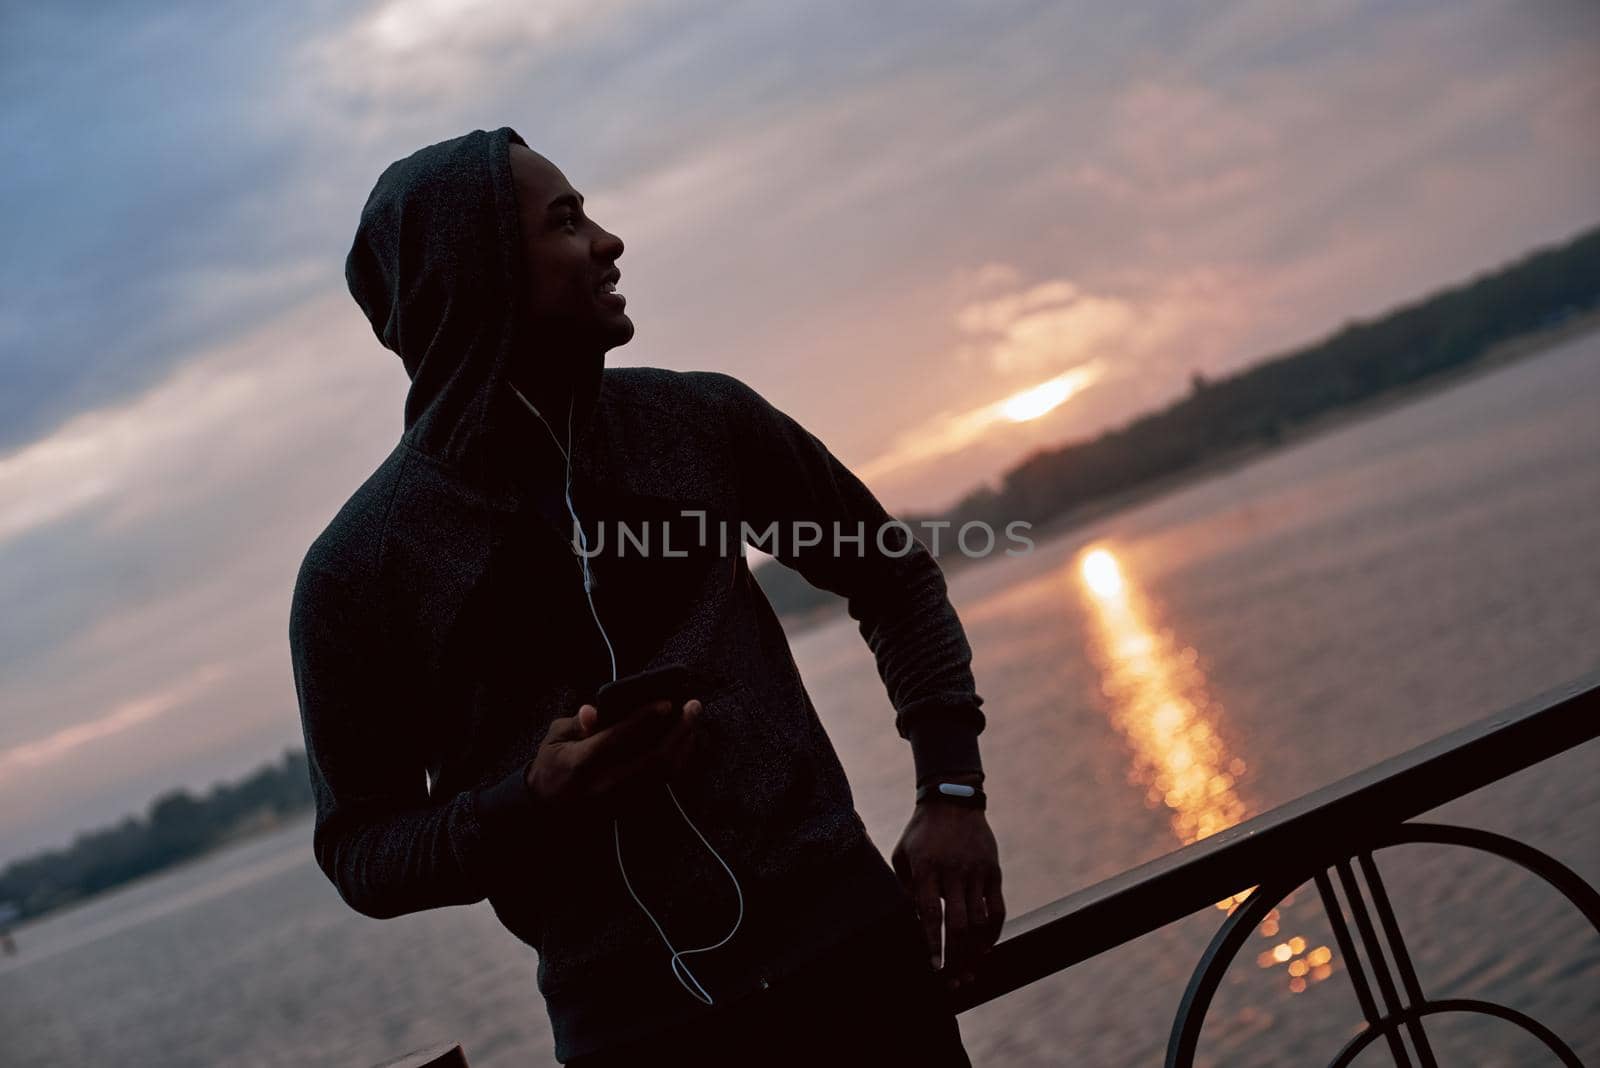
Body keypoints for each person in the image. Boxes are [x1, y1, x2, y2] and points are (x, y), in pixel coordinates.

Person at [289, 126, 1004, 1067]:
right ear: (484, 274)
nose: (608, 242)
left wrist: (951, 790)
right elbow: (361, 850)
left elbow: (889, 574)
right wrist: (527, 805)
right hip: (632, 1032)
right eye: (567, 220)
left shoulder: (700, 421)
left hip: (856, 964)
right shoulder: (359, 572)